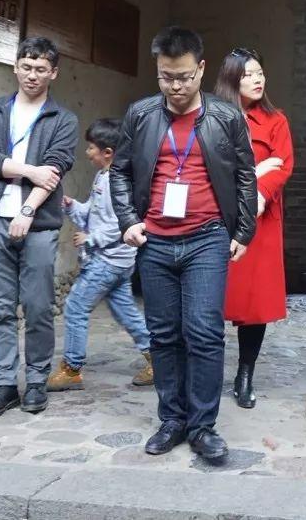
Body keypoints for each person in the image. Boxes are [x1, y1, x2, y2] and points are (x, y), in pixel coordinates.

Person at [109, 27, 256, 463]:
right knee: (164, 334)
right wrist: (128, 221)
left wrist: (243, 232)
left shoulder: (226, 117)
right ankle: (172, 419)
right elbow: (120, 171)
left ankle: (202, 426)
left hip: (207, 238)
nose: (175, 87)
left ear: (202, 69)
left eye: (184, 77)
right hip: (154, 240)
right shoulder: (140, 115)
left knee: (204, 332)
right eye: (166, 77)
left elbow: (245, 175)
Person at [0, 36, 78, 422]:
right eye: (27, 67)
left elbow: (57, 166)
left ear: (53, 73)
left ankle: (35, 380)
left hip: (39, 224)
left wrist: (28, 210)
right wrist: (31, 171)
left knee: (37, 306)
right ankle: (3, 384)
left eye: (41, 69)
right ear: (16, 67)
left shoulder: (62, 119)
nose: (32, 75)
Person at [46, 118, 153, 393]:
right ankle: (158, 358)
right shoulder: (103, 176)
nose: (87, 152)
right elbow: (94, 214)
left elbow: (121, 222)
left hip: (107, 262)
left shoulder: (118, 182)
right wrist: (72, 206)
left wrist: (91, 239)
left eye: (91, 147)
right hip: (119, 262)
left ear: (107, 152)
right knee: (126, 312)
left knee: (75, 307)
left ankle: (71, 369)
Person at [214, 48, 293, 409]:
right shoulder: (212, 115)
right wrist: (254, 174)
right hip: (217, 217)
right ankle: (206, 371)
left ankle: (245, 373)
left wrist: (258, 192)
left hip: (260, 222)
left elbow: (283, 165)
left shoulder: (276, 120)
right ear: (232, 78)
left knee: (254, 303)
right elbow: (210, 165)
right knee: (210, 297)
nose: (257, 80)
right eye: (248, 74)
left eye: (260, 72)